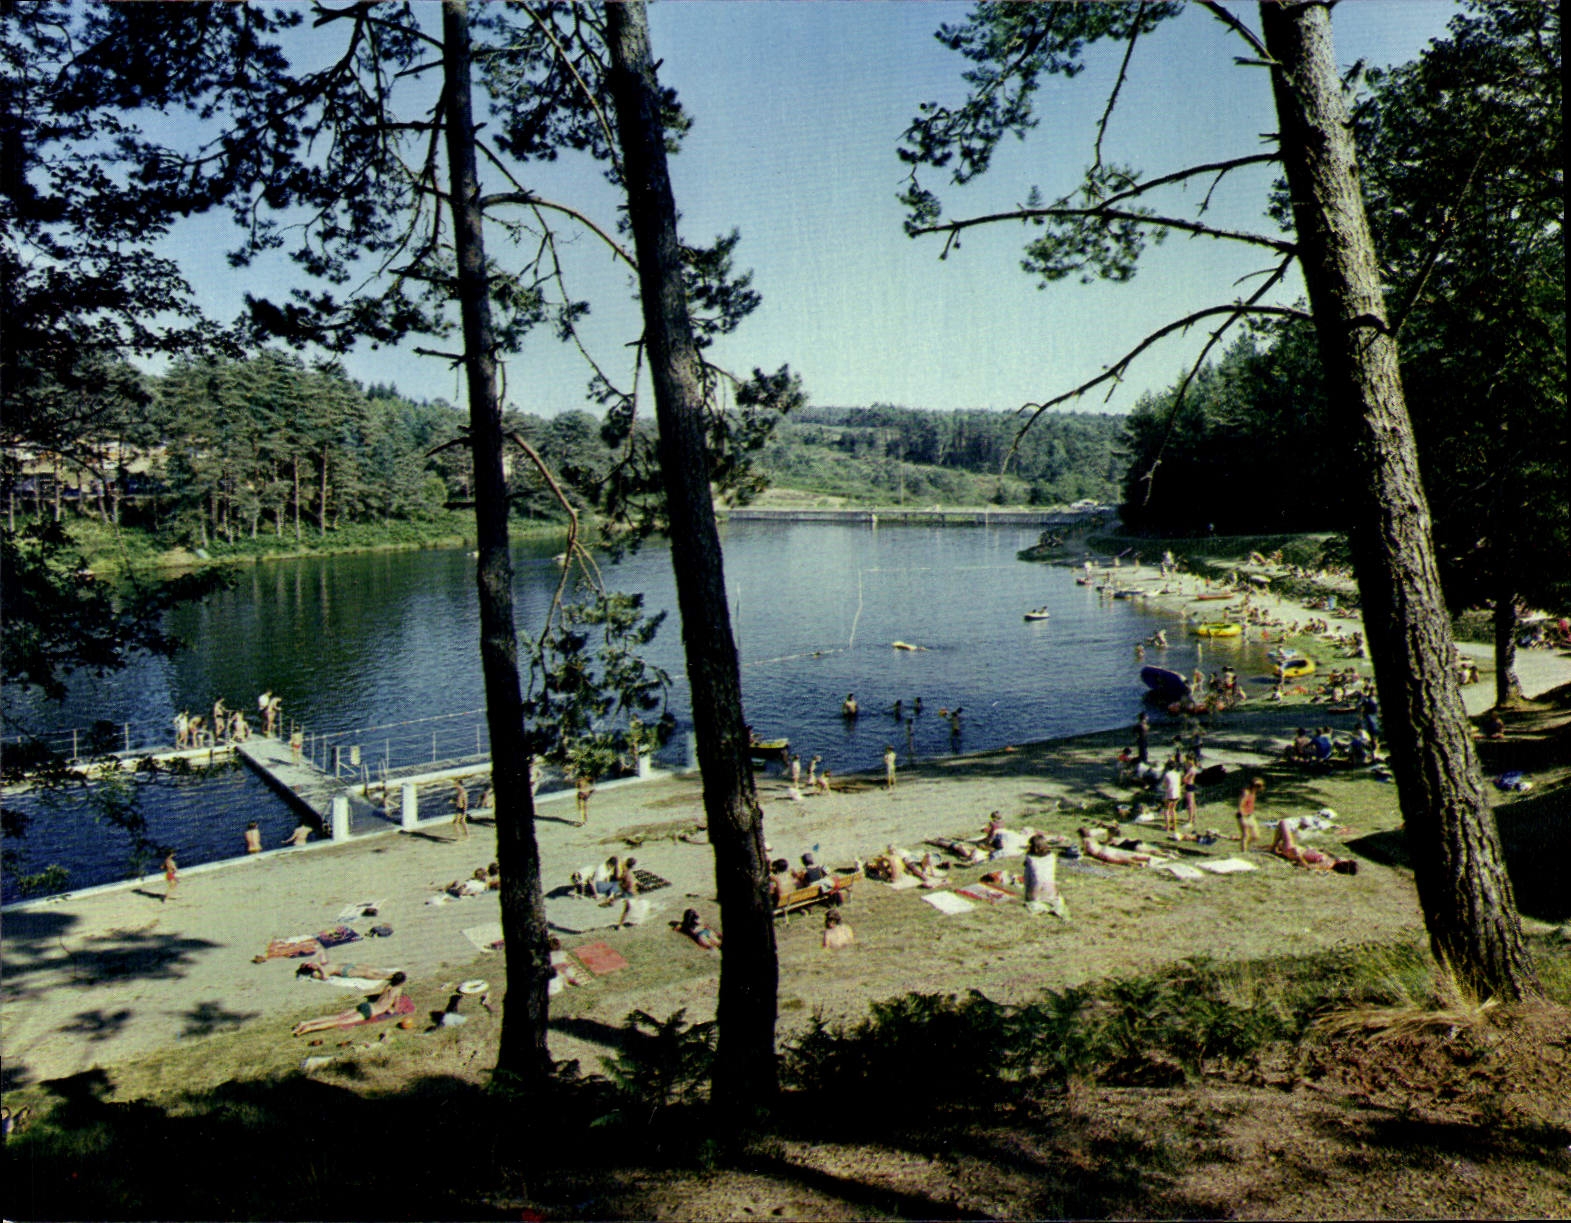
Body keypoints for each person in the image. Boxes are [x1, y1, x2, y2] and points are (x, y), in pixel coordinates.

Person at [292, 973, 407, 1035]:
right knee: (339, 1021)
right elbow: (395, 1006)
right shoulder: (398, 990)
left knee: (337, 1017)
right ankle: (308, 1028)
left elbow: (383, 996)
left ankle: (306, 1022)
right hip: (371, 1011)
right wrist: (392, 1009)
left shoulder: (388, 985)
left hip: (366, 1005)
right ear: (401, 982)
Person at [1271, 820, 1357, 873]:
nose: (1343, 859)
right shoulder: (1333, 860)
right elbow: (1333, 856)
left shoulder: (1327, 865)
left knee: (1283, 823)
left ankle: (1273, 847)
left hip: (1292, 851)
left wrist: (1299, 857)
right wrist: (1324, 851)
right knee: (1283, 832)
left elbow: (1307, 867)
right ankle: (1274, 847)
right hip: (1298, 848)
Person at [1023, 834, 1069, 917]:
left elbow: (1029, 879)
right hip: (1051, 891)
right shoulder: (1052, 857)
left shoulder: (1030, 859)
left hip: (1035, 892)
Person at [1236, 777, 1265, 852]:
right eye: (1259, 786)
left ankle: (1244, 846)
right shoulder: (1246, 792)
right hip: (1243, 817)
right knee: (1246, 835)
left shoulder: (1253, 792)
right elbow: (1240, 805)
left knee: (1256, 836)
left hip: (1250, 816)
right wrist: (1242, 817)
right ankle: (1244, 852)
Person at [1159, 759, 1183, 833]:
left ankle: (1167, 827)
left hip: (1170, 794)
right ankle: (1174, 826)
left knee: (1166, 810)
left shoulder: (1167, 774)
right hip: (1177, 793)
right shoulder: (1178, 774)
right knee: (1173, 810)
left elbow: (1164, 785)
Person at [1181, 756, 1199, 828]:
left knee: (1190, 804)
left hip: (1189, 786)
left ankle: (1190, 820)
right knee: (1193, 803)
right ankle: (1193, 818)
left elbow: (1184, 778)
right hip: (1192, 785)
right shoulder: (1194, 768)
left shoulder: (1191, 769)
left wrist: (1183, 782)